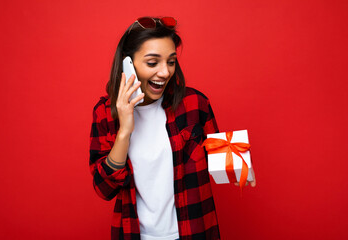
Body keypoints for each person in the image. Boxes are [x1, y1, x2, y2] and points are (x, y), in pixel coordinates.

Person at [89, 16, 255, 240]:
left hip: (194, 232)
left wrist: (241, 165)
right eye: (152, 62)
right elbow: (104, 189)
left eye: (170, 61)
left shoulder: (195, 104)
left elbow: (222, 155)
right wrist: (125, 131)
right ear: (128, 64)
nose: (165, 72)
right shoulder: (105, 113)